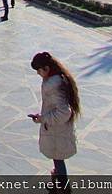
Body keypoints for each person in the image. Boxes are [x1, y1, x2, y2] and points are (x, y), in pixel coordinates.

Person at [30, 52, 80, 190]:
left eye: (40, 70)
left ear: (47, 68)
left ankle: (62, 187)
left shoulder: (53, 85)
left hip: (57, 131)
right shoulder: (56, 79)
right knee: (57, 159)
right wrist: (42, 116)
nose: (38, 73)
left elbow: (64, 112)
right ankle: (59, 183)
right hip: (57, 130)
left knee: (58, 159)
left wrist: (43, 119)